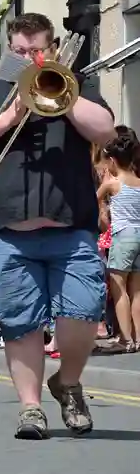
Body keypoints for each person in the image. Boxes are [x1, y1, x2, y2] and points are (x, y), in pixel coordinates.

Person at [0, 12, 116, 440]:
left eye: (37, 50)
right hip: (6, 231)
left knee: (83, 310)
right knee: (20, 322)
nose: (29, 58)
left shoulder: (76, 85)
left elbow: (106, 131)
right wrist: (7, 118)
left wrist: (66, 95)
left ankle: (68, 381)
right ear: (10, 49)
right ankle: (31, 408)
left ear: (53, 47)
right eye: (21, 52)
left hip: (70, 226)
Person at [97, 127, 140, 352]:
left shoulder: (113, 183)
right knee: (136, 291)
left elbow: (92, 203)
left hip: (123, 237)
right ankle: (138, 338)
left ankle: (125, 339)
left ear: (113, 160)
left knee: (118, 287)